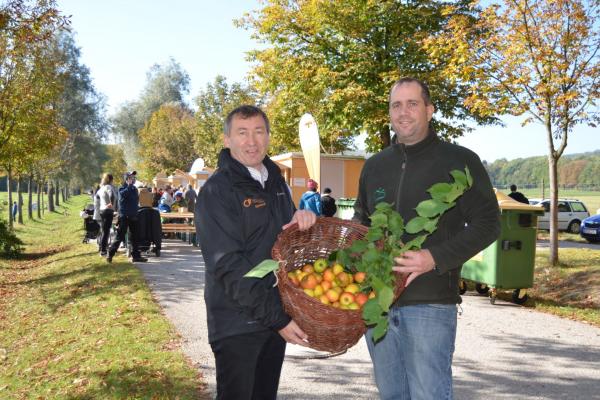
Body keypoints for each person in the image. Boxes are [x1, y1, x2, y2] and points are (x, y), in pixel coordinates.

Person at [353, 77, 500, 399]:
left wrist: (435, 258)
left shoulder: (459, 161)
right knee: (391, 394)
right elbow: (361, 222)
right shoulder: (375, 166)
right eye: (396, 105)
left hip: (430, 304)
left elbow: (489, 223)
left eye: (412, 104)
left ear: (430, 110)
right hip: (379, 303)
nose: (403, 112)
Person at [196, 105, 317, 400]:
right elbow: (228, 266)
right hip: (237, 322)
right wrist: (278, 319)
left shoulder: (276, 184)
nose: (252, 141)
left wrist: (302, 223)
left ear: (268, 137)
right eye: (242, 133)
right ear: (227, 140)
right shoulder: (217, 191)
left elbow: (285, 247)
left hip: (272, 317)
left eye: (259, 132)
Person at [107, 171, 147, 263]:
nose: (133, 179)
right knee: (120, 236)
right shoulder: (121, 189)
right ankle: (110, 253)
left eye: (133, 177)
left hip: (133, 215)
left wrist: (136, 210)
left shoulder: (134, 189)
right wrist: (128, 186)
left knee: (135, 237)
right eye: (131, 177)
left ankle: (136, 256)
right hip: (124, 216)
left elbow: (135, 201)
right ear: (126, 179)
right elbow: (123, 196)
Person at [96, 173, 119, 256]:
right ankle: (103, 251)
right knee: (106, 231)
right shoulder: (109, 187)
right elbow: (112, 195)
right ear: (111, 180)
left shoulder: (102, 188)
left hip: (102, 211)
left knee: (104, 230)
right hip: (108, 211)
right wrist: (111, 204)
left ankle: (102, 248)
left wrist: (103, 203)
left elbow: (97, 197)